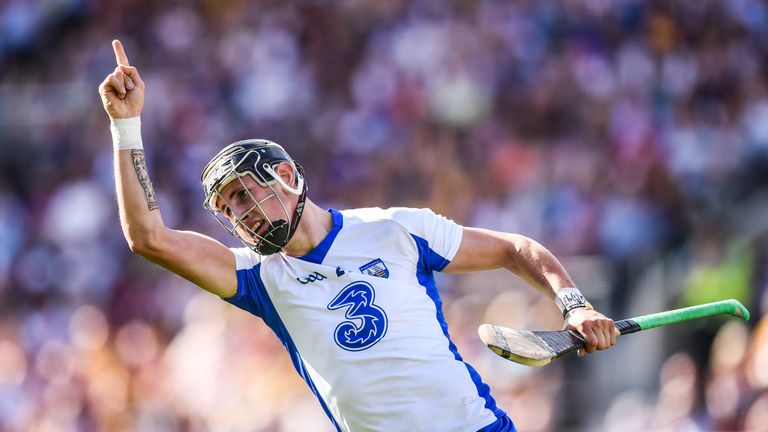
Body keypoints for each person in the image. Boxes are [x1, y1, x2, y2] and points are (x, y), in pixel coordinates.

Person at [98, 39, 616, 432]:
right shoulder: (259, 278)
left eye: (243, 193)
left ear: (285, 176)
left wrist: (575, 306)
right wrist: (127, 126)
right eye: (227, 207)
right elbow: (150, 238)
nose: (240, 213)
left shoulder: (393, 228)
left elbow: (514, 248)